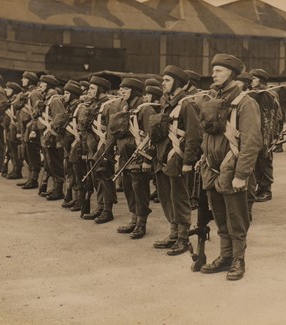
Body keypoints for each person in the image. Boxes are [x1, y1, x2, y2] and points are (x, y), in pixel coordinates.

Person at [199, 54, 262, 280]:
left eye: (219, 70)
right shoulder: (211, 99)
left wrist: (241, 174)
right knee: (219, 216)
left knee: (236, 217)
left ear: (232, 74)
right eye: (213, 70)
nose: (213, 73)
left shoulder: (246, 102)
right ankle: (225, 256)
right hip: (212, 168)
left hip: (232, 169)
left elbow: (252, 142)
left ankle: (238, 259)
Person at [150, 65, 201, 255]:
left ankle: (183, 238)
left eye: (167, 80)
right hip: (162, 157)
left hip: (177, 158)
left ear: (178, 83)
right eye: (163, 80)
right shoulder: (167, 103)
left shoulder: (187, 104)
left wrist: (188, 161)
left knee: (179, 199)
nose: (163, 83)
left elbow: (194, 135)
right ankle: (173, 233)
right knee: (166, 198)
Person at [108, 78, 156, 239]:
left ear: (134, 91)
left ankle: (141, 223)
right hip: (125, 157)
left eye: (125, 89)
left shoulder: (145, 109)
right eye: (121, 89)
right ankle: (133, 219)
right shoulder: (125, 107)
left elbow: (152, 136)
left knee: (140, 190)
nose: (121, 92)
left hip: (139, 156)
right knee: (128, 188)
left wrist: (148, 159)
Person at [78, 75, 117, 224]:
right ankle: (100, 207)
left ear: (100, 89)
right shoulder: (94, 104)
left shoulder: (109, 105)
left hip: (103, 147)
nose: (89, 91)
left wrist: (106, 150)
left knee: (105, 177)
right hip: (92, 147)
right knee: (96, 178)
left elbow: (112, 130)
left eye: (92, 88)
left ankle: (107, 210)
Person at [250, 68, 277, 202]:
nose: (251, 81)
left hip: (264, 133)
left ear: (260, 80)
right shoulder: (255, 93)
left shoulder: (265, 94)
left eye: (254, 78)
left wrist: (266, 139)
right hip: (257, 132)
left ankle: (266, 190)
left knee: (265, 161)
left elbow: (268, 117)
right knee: (258, 162)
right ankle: (260, 188)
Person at [15, 71, 39, 186]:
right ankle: (30, 178)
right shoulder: (26, 93)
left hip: (30, 126)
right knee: (26, 153)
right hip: (25, 127)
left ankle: (34, 179)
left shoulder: (33, 93)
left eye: (24, 79)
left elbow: (36, 113)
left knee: (32, 153)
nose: (22, 81)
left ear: (30, 80)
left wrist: (33, 129)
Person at [2, 82, 23, 178]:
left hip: (14, 129)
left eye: (9, 89)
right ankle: (15, 169)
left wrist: (18, 131)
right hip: (10, 129)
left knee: (15, 150)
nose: (6, 91)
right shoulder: (11, 100)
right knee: (11, 150)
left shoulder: (15, 101)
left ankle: (17, 171)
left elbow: (18, 116)